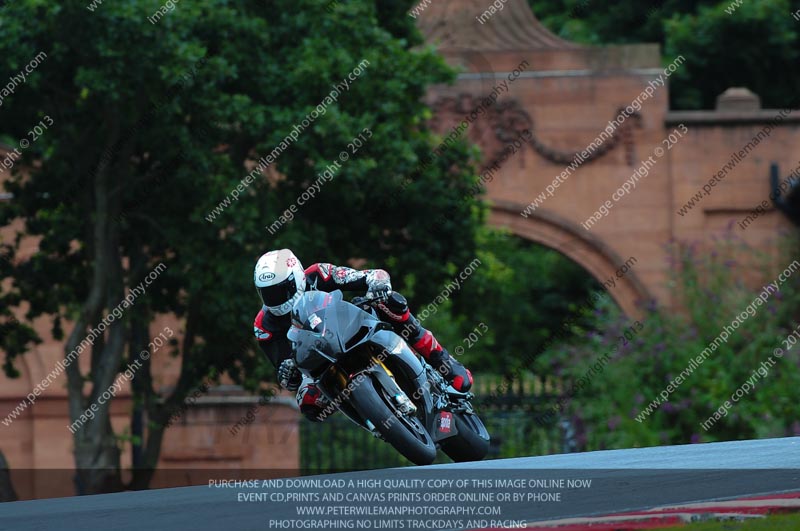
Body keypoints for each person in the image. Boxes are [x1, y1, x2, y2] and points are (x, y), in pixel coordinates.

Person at [252, 248, 473, 421]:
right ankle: (373, 419)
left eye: (281, 289)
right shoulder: (264, 327)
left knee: (391, 303)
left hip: (352, 328)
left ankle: (445, 363)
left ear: (297, 276)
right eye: (268, 293)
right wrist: (288, 374)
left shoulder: (319, 274)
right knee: (308, 403)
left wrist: (377, 283)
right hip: (320, 361)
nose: (276, 298)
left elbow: (365, 276)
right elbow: (284, 367)